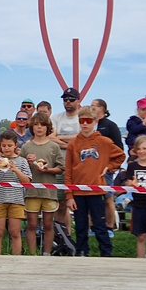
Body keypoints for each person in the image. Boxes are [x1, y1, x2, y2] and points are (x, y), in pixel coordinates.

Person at [65, 107, 124, 257]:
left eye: (88, 121)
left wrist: (109, 167)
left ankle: (106, 253)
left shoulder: (104, 141)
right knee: (80, 225)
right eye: (81, 121)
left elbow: (120, 156)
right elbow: (68, 170)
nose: (85, 124)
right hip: (78, 192)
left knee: (99, 224)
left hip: (97, 191)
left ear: (95, 121)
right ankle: (81, 252)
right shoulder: (73, 144)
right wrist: (69, 195)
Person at [20, 112, 64, 255]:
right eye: (36, 125)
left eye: (42, 125)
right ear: (32, 127)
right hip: (32, 191)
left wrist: (48, 169)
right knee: (32, 224)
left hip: (49, 191)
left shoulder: (54, 146)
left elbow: (61, 168)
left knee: (48, 224)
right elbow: (18, 167)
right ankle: (32, 254)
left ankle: (46, 253)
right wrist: (26, 161)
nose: (39, 128)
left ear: (48, 127)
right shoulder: (27, 147)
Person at [0, 131, 31, 256]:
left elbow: (27, 181)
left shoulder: (22, 161)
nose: (6, 148)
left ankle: (16, 258)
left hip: (16, 200)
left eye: (9, 145)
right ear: (0, 146)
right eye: (4, 146)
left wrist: (16, 170)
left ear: (15, 145)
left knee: (15, 232)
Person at [50, 88, 82, 227]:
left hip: (79, 166)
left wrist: (60, 138)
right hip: (60, 165)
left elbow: (82, 137)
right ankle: (62, 235)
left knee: (80, 204)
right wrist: (70, 144)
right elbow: (50, 137)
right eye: (65, 99)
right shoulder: (56, 118)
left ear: (78, 101)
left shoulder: (82, 118)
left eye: (71, 99)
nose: (68, 102)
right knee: (60, 204)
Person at [91, 98, 124, 232]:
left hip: (106, 169)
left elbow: (119, 148)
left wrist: (111, 166)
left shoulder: (110, 125)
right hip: (91, 167)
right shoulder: (90, 124)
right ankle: (93, 225)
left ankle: (110, 226)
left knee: (108, 198)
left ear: (102, 108)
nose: (91, 108)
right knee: (92, 198)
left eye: (94, 106)